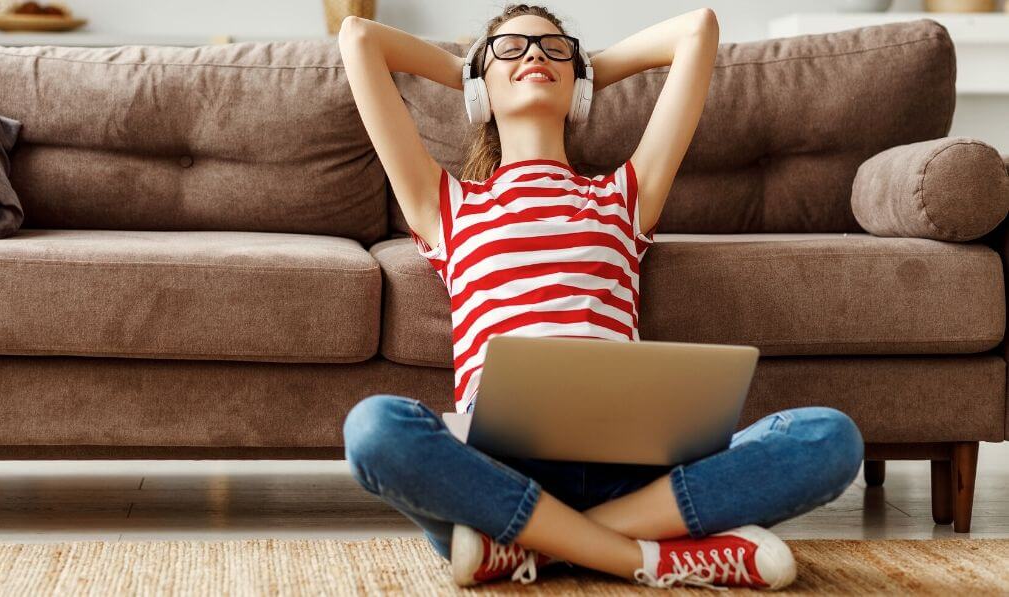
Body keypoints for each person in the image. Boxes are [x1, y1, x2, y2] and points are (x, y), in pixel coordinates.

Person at [337, 3, 864, 590]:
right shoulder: (450, 207)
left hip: (633, 470)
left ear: (580, 84)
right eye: (512, 49)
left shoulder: (624, 194)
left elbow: (698, 30)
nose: (535, 55)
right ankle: (647, 557)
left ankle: (530, 546)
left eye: (553, 48)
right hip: (499, 469)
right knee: (373, 428)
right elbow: (359, 37)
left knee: (829, 438)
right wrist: (475, 66)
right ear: (477, 90)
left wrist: (582, 68)